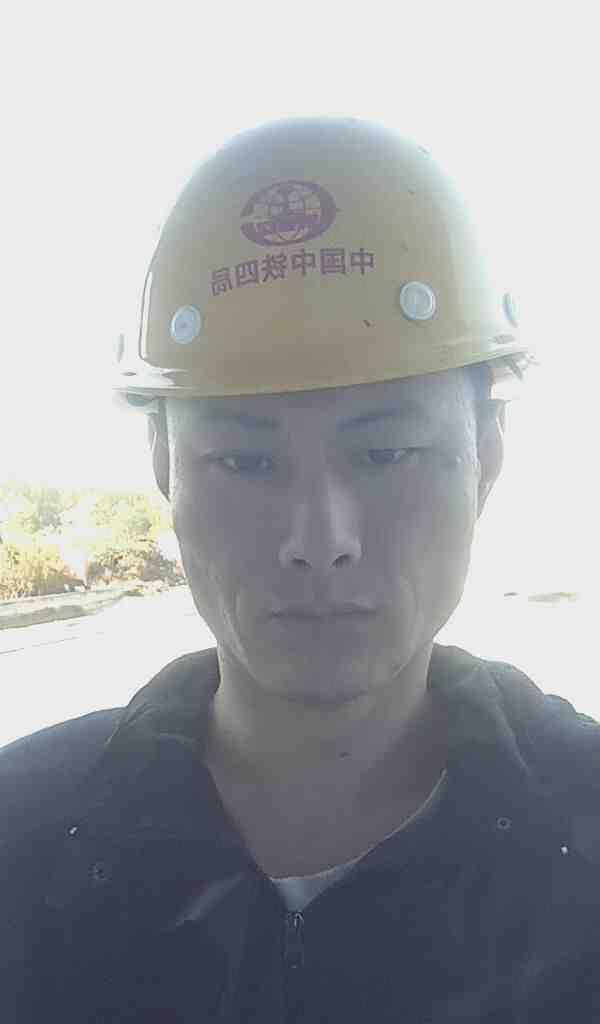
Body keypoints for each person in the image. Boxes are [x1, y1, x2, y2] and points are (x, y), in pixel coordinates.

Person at [2, 117, 599, 1023]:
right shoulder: (23, 842)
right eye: (244, 462)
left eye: (386, 453)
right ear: (165, 467)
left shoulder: (582, 842)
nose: (319, 539)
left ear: (488, 453)